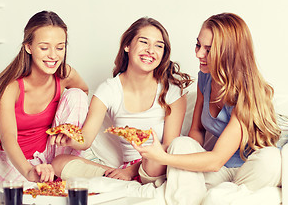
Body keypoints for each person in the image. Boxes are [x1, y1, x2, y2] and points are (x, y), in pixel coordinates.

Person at [133, 13, 282, 204]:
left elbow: (216, 160)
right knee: (180, 143)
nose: (198, 54)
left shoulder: (249, 93)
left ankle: (221, 196)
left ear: (229, 52)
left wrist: (163, 157)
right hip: (220, 170)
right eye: (198, 45)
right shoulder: (205, 78)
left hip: (251, 169)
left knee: (271, 158)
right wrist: (188, 157)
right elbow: (197, 130)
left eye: (208, 50)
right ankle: (216, 197)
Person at [51, 17, 193, 183]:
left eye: (158, 45)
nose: (150, 50)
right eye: (144, 42)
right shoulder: (109, 89)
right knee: (59, 163)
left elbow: (169, 146)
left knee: (156, 158)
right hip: (126, 168)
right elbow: (86, 139)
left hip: (158, 163)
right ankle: (115, 178)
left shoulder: (172, 91)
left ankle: (125, 177)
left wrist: (131, 171)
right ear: (127, 45)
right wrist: (71, 139)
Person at [0, 10, 89, 183]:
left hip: (53, 153)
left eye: (60, 47)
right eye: (44, 48)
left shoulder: (65, 74)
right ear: (28, 47)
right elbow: (8, 137)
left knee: (76, 95)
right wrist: (29, 170)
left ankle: (60, 169)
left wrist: (66, 128)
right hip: (17, 161)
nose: (53, 55)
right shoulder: (10, 86)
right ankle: (43, 180)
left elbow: (83, 93)